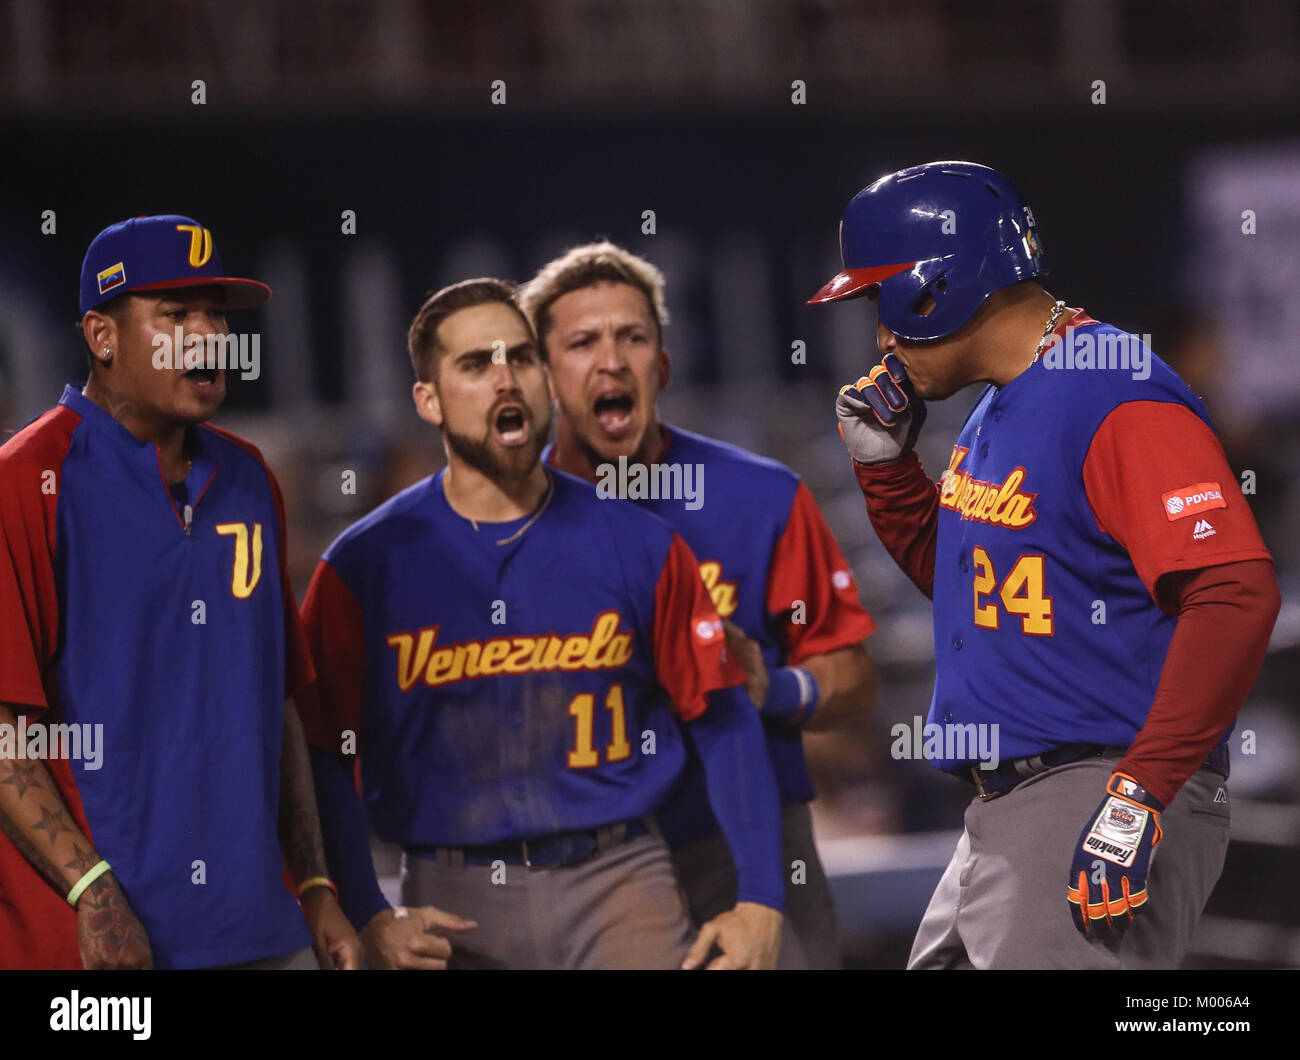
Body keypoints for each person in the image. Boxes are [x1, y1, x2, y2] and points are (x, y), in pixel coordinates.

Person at [809, 160, 1281, 969]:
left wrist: (1137, 795)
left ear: (938, 286)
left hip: (1096, 783)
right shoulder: (1004, 397)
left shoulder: (1114, 393)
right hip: (1017, 805)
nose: (882, 337)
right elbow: (981, 594)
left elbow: (1235, 593)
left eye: (880, 302)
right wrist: (890, 474)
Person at [299, 278, 785, 969]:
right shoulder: (364, 564)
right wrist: (366, 908)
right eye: (476, 365)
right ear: (428, 400)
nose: (507, 380)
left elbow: (724, 716)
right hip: (450, 892)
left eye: (521, 358)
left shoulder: (640, 544)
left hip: (621, 882)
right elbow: (323, 750)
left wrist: (763, 898)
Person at [0, 214, 360, 969]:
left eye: (216, 315)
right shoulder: (26, 482)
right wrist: (92, 891)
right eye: (174, 314)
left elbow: (281, 702)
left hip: (263, 928)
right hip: (103, 945)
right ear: (102, 336)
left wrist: (319, 885)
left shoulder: (250, 478)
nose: (207, 335)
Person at [519, 242, 877, 969]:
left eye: (634, 337)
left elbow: (852, 674)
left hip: (743, 838)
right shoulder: (502, 519)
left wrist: (771, 688)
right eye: (582, 342)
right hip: (578, 855)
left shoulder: (760, 496)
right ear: (543, 377)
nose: (611, 360)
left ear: (663, 366)